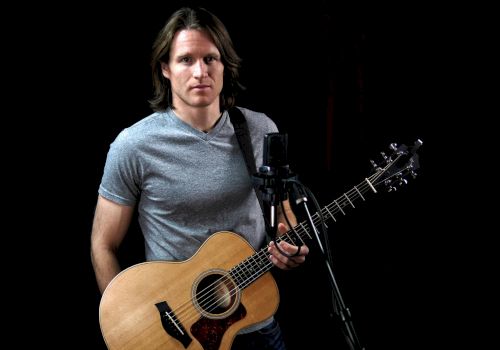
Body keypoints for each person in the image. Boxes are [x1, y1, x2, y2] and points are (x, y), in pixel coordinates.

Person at [90, 6, 309, 350]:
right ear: (165, 68)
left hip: (254, 323)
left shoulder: (261, 131)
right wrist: (131, 325)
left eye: (210, 59)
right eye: (186, 60)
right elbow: (103, 244)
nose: (200, 72)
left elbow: (281, 212)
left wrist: (289, 243)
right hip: (175, 334)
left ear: (225, 66)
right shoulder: (133, 145)